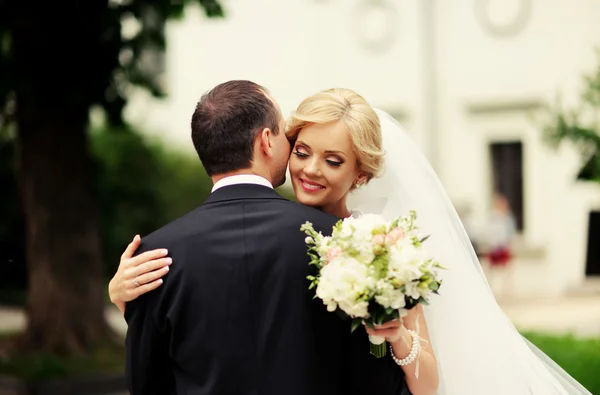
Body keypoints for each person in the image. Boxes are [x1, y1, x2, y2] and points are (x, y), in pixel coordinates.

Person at [113, 82, 591, 394]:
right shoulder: (304, 237)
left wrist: (398, 337)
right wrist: (124, 299)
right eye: (300, 150)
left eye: (333, 160)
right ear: (275, 144)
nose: (309, 170)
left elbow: (425, 385)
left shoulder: (377, 250)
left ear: (362, 175)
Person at [121, 81, 418, 395]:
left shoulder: (151, 259)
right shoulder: (343, 243)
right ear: (266, 141)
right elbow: (375, 382)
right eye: (283, 133)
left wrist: (124, 304)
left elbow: (146, 383)